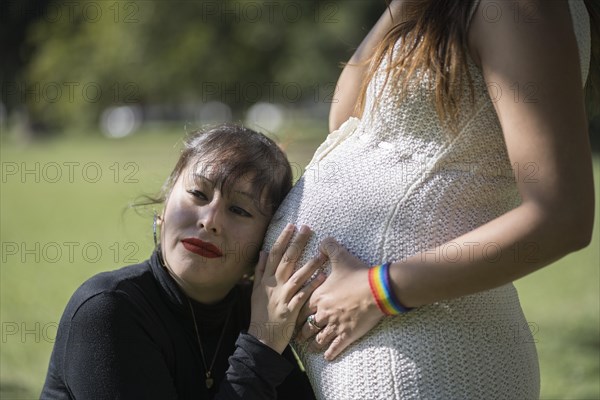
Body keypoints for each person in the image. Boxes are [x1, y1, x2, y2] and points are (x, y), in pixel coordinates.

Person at [262, 0, 596, 398]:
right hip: (394, 348)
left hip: (424, 357)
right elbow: (347, 117)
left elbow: (564, 216)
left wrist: (378, 291)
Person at [41, 124, 323, 399]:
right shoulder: (107, 310)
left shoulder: (258, 311)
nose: (210, 221)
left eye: (239, 209)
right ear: (165, 203)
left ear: (266, 239)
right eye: (199, 194)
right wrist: (262, 344)